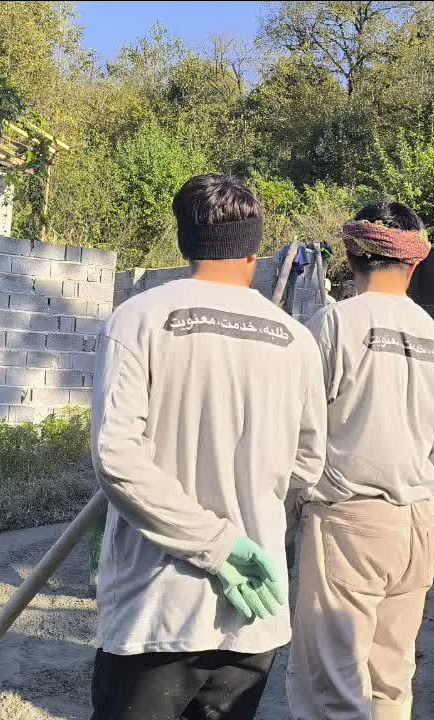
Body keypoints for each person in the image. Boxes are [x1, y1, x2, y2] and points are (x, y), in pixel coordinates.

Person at [89, 174, 326, 720]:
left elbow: (118, 458)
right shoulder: (296, 340)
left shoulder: (139, 318)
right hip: (253, 616)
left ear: (183, 240)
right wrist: (247, 527)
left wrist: (214, 545)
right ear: (255, 248)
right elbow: (308, 466)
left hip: (156, 613)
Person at [286, 202, 434, 720]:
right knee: (391, 680)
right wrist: (426, 514)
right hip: (419, 524)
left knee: (332, 687)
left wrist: (295, 509)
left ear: (351, 253)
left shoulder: (333, 325)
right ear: (415, 262)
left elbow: (303, 438)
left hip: (348, 524)